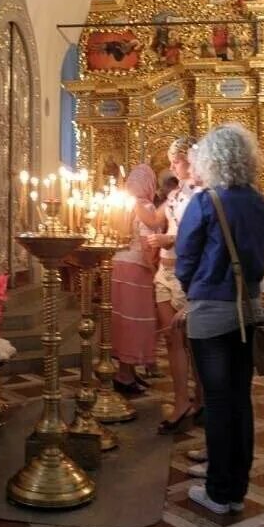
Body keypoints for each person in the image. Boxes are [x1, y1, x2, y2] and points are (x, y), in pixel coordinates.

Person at [175, 123, 264, 515]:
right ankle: (236, 488)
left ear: (211, 160)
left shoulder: (206, 200)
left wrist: (193, 286)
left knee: (216, 401)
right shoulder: (258, 201)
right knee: (240, 398)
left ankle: (217, 490)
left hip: (212, 310)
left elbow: (185, 257)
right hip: (248, 307)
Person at [137, 136, 203, 432]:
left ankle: (202, 398)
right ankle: (180, 400)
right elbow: (153, 219)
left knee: (195, 341)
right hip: (164, 271)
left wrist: (169, 239)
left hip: (187, 273)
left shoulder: (202, 194)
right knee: (172, 340)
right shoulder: (175, 194)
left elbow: (198, 234)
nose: (173, 166)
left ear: (191, 160)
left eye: (176, 160)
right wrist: (134, 198)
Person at [111, 164, 160, 394]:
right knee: (135, 322)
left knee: (124, 320)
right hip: (137, 269)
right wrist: (154, 268)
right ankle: (124, 376)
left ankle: (128, 370)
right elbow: (146, 242)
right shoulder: (146, 207)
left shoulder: (122, 204)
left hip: (118, 265)